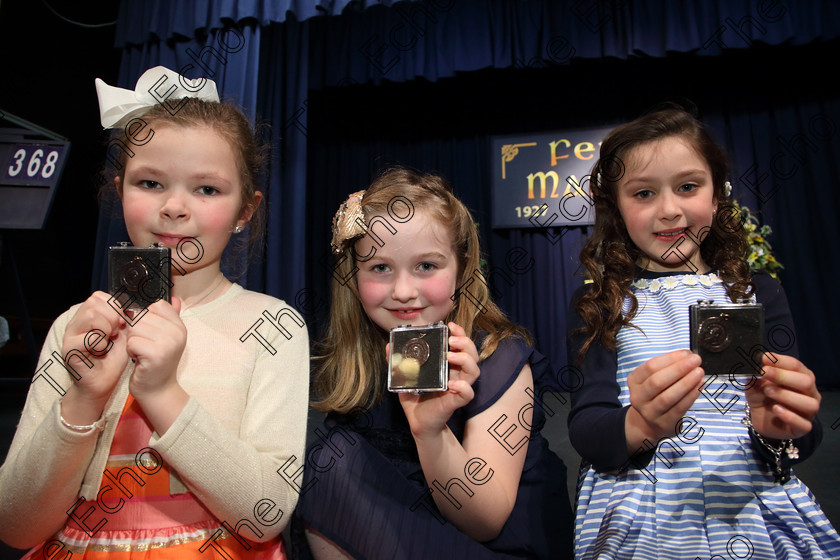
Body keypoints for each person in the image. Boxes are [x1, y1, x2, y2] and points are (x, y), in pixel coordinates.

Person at [0, 67, 309, 558]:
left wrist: (163, 392)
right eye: (150, 182)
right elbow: (15, 525)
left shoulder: (272, 325)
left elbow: (265, 512)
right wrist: (83, 397)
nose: (174, 207)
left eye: (207, 189)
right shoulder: (74, 328)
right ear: (120, 190)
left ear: (245, 211)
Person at [567, 107, 840, 559]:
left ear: (716, 196)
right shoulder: (601, 303)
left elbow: (798, 439)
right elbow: (587, 429)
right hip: (641, 512)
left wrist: (780, 429)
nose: (670, 209)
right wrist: (640, 424)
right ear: (616, 208)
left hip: (750, 501)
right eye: (643, 193)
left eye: (688, 187)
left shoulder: (758, 292)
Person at [291, 168, 573, 559]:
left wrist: (430, 431)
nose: (404, 291)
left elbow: (486, 520)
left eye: (426, 266)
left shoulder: (499, 357)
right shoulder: (363, 365)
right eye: (380, 268)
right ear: (353, 280)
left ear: (461, 269)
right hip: (401, 537)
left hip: (491, 546)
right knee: (329, 463)